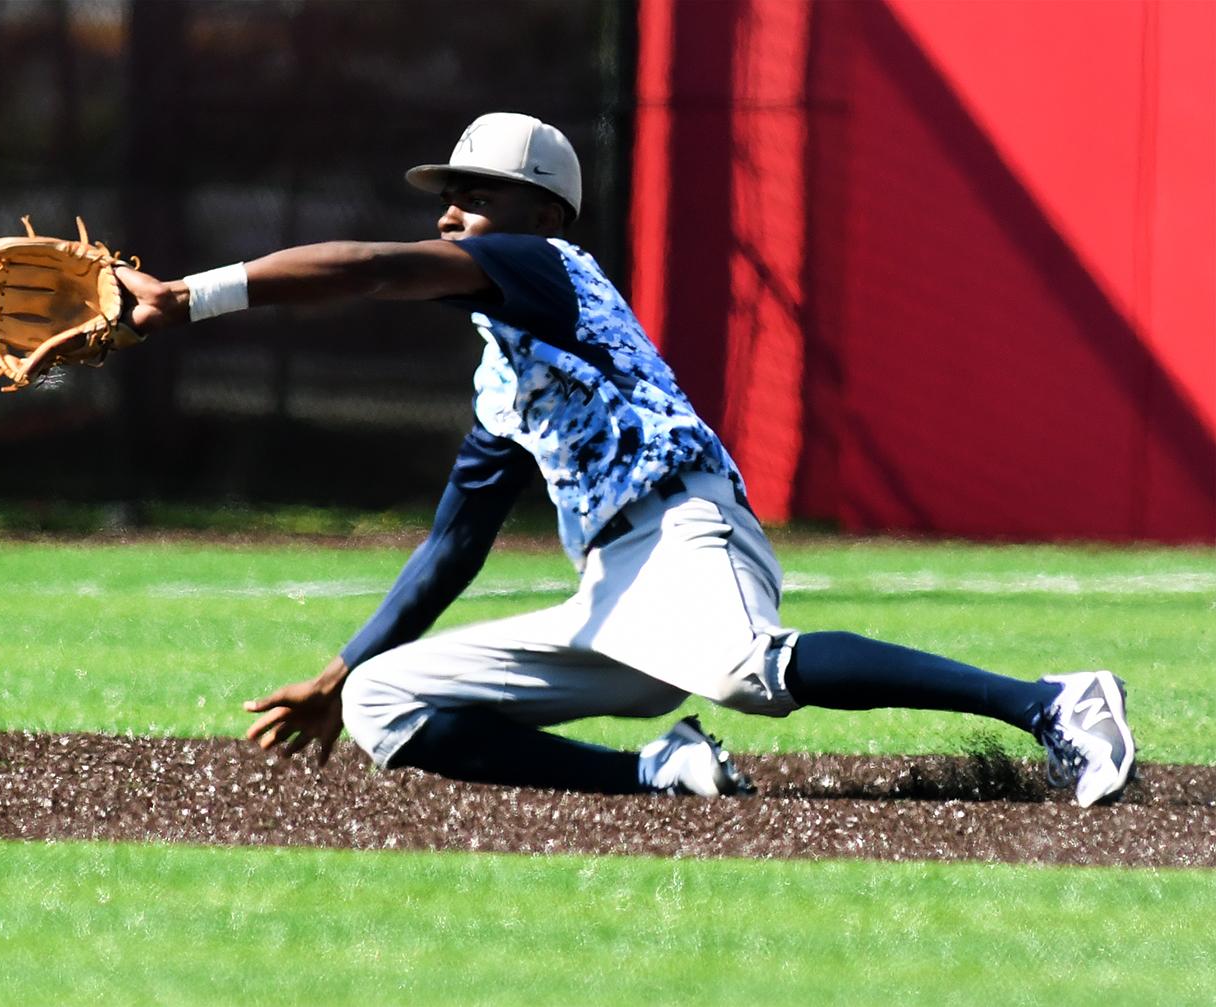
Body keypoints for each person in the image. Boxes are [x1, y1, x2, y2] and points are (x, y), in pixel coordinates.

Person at [113, 112, 1136, 807]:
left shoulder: (542, 267)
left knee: (748, 665)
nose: (451, 212)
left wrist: (188, 296)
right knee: (389, 700)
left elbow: (372, 269)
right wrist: (340, 672)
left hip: (685, 529)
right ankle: (660, 765)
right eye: (450, 194)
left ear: (543, 213)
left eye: (476, 193)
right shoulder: (506, 377)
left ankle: (1053, 700)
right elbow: (450, 547)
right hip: (614, 591)